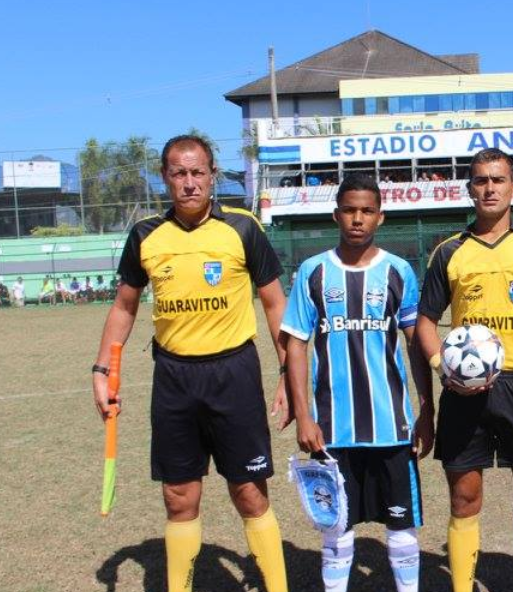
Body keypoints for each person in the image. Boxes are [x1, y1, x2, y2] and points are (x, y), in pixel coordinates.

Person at [91, 135, 290, 592]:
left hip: (234, 374)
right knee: (179, 497)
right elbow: (124, 307)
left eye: (197, 172)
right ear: (165, 178)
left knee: (249, 492)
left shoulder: (242, 228)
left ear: (212, 175)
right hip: (175, 379)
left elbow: (275, 303)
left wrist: (287, 373)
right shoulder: (145, 235)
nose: (189, 182)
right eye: (179, 173)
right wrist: (101, 371)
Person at [415, 147, 513, 592]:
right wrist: (442, 368)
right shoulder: (449, 251)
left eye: (498, 179)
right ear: (470, 189)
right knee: (464, 499)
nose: (489, 188)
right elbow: (425, 322)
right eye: (481, 180)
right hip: (463, 391)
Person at [282, 173, 433, 592]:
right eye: (349, 210)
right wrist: (304, 417)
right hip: (332, 429)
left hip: (392, 428)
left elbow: (415, 344)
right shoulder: (312, 272)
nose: (358, 218)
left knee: (402, 527)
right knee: (336, 528)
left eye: (367, 210)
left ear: (380, 217)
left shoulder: (398, 271)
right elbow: (296, 345)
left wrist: (427, 410)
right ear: (336, 215)